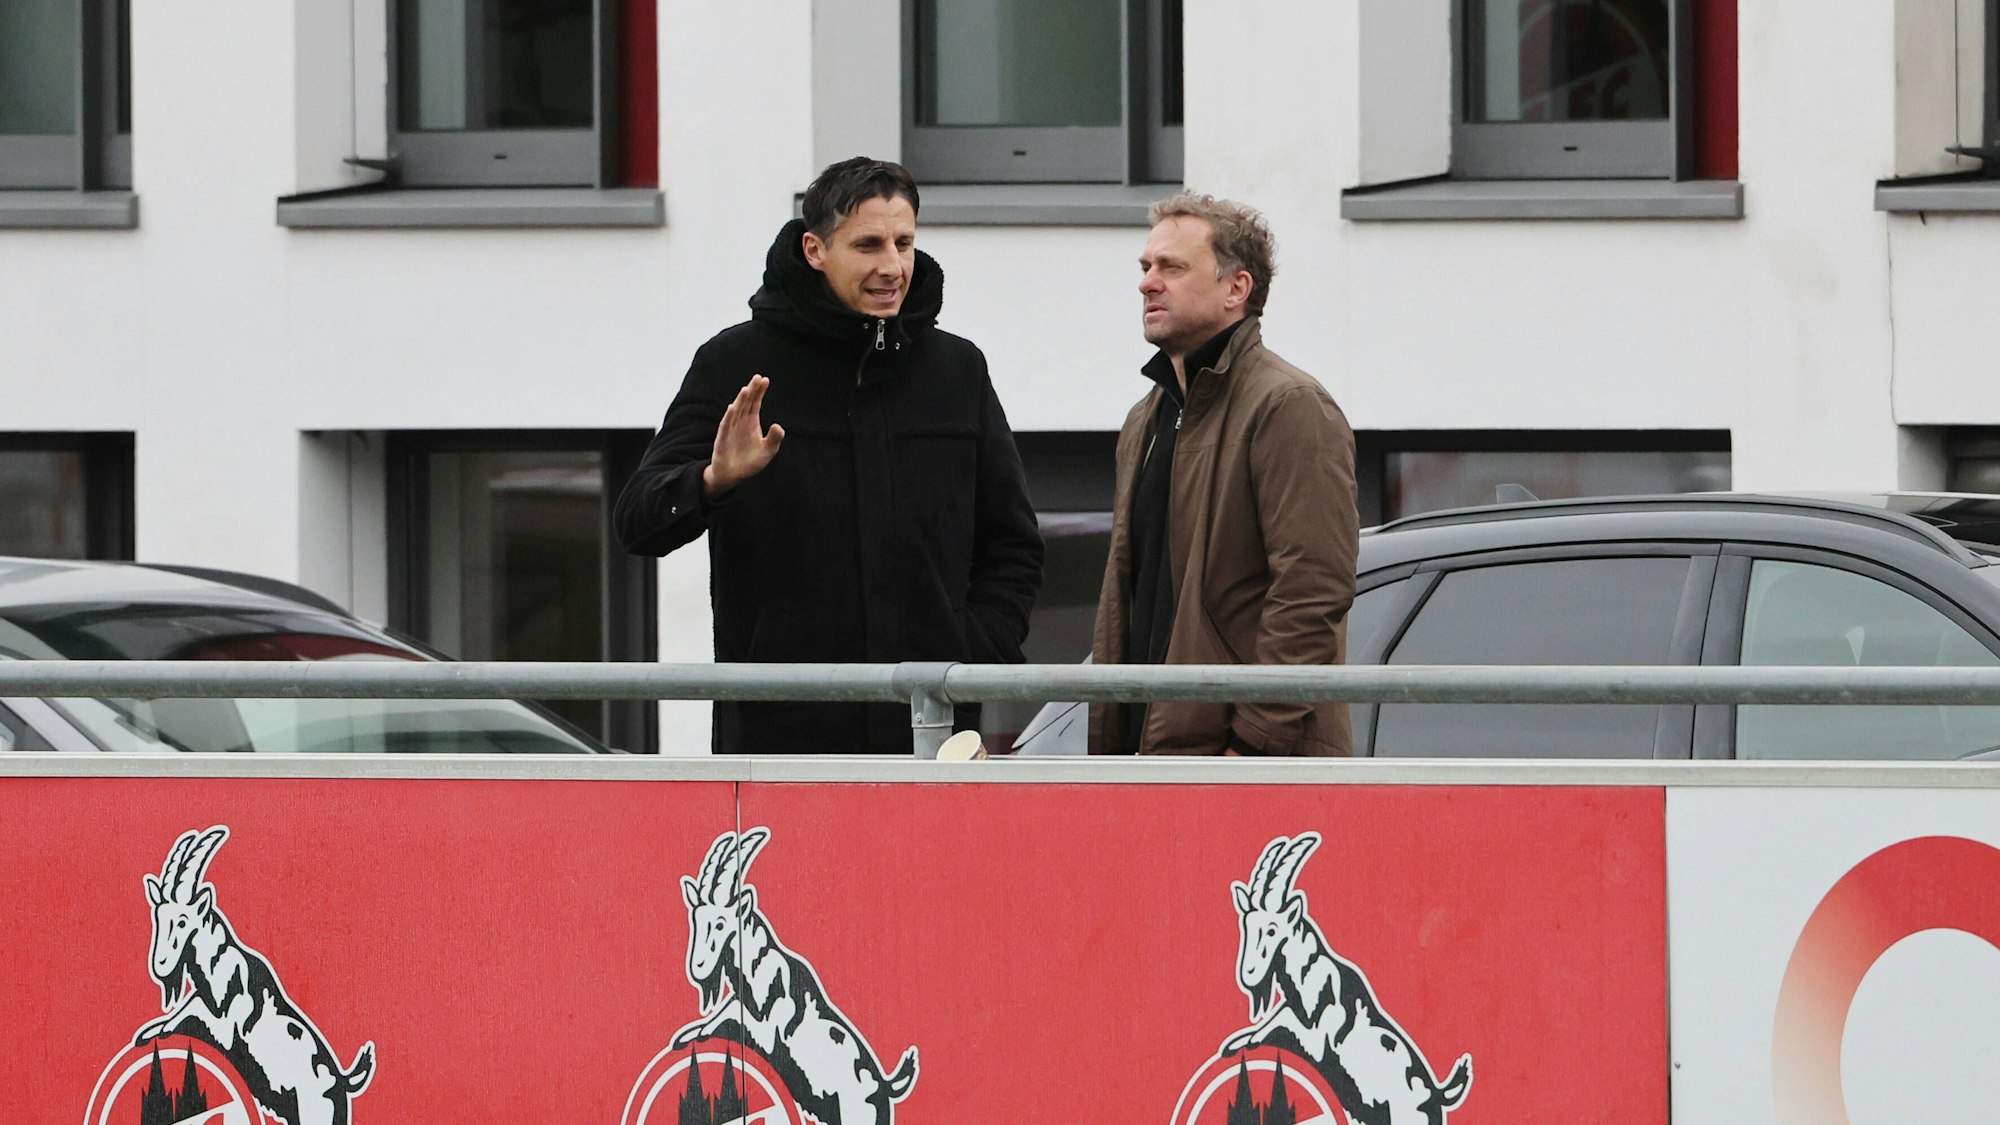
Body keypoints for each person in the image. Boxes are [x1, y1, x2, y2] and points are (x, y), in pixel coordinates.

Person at [614, 158, 1044, 755]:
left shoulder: (958, 369)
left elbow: (1013, 545)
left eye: (904, 243)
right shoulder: (735, 362)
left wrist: (972, 649)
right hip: (778, 740)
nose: (891, 267)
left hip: (932, 731)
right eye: (868, 245)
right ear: (815, 249)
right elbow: (637, 520)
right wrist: (712, 481)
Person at [1089, 193, 1359, 756]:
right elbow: (1129, 600)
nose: (1147, 283)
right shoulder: (1145, 419)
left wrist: (1254, 745)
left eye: (1172, 267)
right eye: (1145, 267)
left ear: (1237, 289)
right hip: (1152, 757)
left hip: (1247, 769)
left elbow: (1311, 592)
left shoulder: (1290, 406)